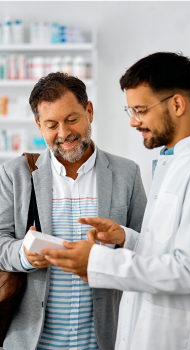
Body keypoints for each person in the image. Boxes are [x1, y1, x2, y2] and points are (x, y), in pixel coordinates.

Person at [42, 53, 190, 350]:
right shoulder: (171, 161)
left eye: (140, 109)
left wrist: (97, 260)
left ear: (177, 104)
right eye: (131, 110)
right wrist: (126, 237)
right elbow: (167, 249)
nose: (132, 121)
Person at [0, 72, 146, 350]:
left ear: (89, 111)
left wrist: (121, 238)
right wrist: (24, 255)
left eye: (71, 119)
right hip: (33, 341)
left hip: (104, 338)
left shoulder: (127, 173)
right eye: (51, 124)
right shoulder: (14, 174)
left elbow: (146, 246)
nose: (64, 133)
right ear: (38, 125)